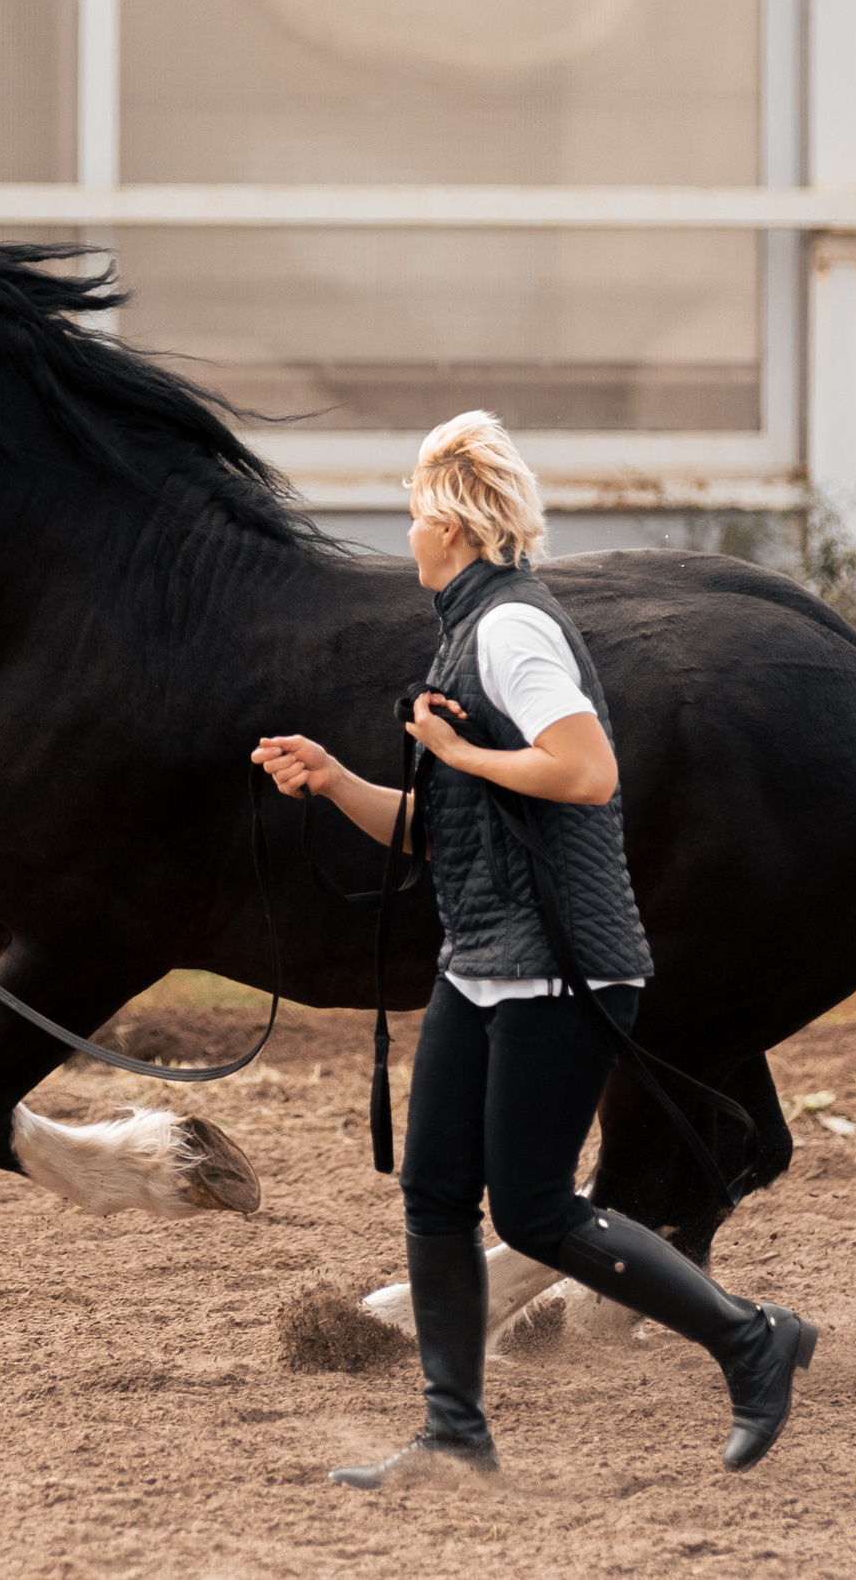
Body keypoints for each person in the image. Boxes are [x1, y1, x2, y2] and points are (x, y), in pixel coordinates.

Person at [252, 411, 815, 1490]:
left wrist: (458, 750)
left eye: (416, 512)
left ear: (454, 526)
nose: (408, 531)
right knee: (432, 1187)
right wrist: (333, 780)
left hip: (559, 961)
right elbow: (439, 827)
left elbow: (587, 770)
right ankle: (454, 1434)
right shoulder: (467, 627)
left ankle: (752, 1339)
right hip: (484, 957)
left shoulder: (511, 628)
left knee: (535, 1210)